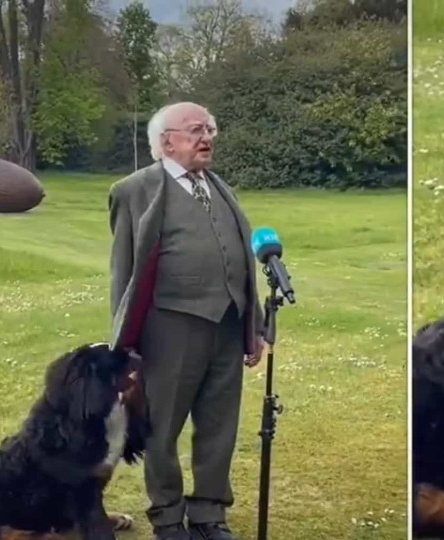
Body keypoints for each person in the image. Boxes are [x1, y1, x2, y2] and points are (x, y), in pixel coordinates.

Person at [108, 101, 264, 540]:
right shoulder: (134, 190)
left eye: (210, 129)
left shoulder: (218, 185)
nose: (207, 138)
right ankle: (169, 518)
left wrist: (254, 327)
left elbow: (244, 263)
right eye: (196, 130)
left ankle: (210, 514)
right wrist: (124, 344)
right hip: (170, 329)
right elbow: (124, 272)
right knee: (162, 429)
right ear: (166, 141)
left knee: (219, 426)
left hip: (228, 326)